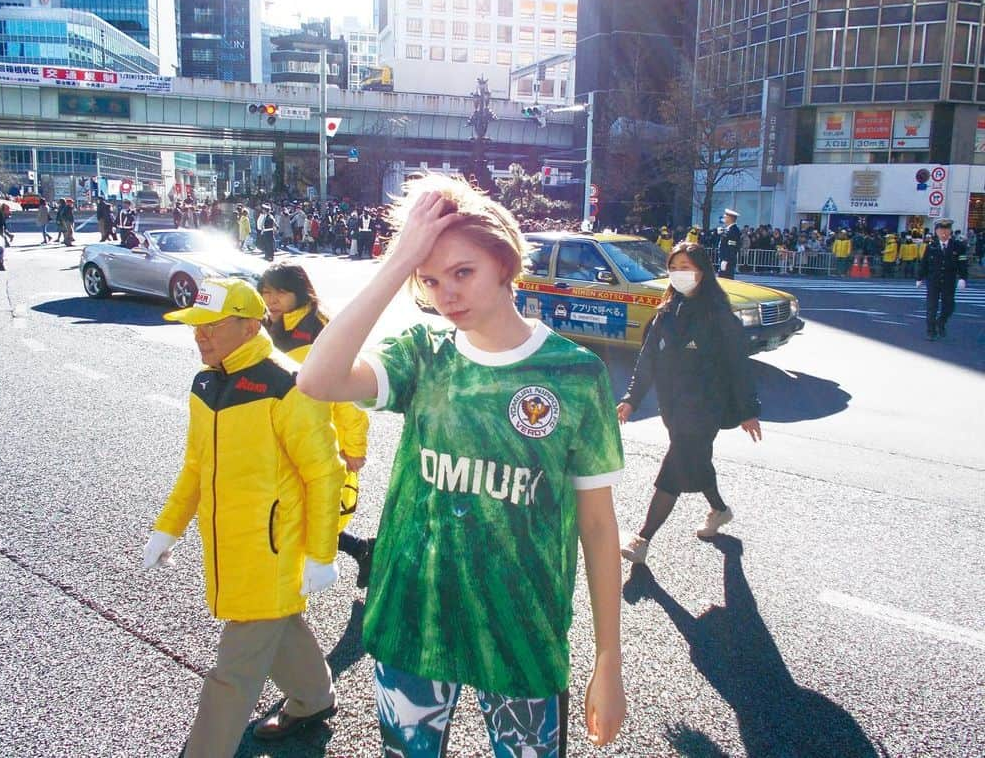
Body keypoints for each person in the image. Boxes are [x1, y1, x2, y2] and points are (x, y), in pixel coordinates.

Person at [297, 175, 628, 755]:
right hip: (413, 621)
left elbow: (598, 527)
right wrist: (398, 260)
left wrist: (608, 658)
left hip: (522, 630)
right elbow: (317, 378)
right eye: (430, 280)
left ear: (505, 264)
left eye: (463, 272)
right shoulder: (423, 355)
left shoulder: (575, 375)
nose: (446, 293)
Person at [143, 277, 345, 757]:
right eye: (196, 325)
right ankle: (314, 699)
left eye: (211, 325)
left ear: (249, 324)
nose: (200, 335)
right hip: (228, 544)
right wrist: (168, 527)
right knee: (278, 627)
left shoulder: (286, 385)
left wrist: (321, 554)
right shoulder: (206, 382)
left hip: (272, 550)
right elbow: (196, 465)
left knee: (233, 672)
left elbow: (324, 473)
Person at [618, 241, 762, 565]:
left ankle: (642, 540)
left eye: (687, 267)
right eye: (675, 267)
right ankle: (719, 510)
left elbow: (739, 364)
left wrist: (749, 409)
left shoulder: (719, 315)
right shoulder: (666, 312)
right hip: (673, 407)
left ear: (702, 271)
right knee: (695, 462)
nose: (680, 274)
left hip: (706, 408)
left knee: (675, 466)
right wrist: (631, 399)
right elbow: (647, 360)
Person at [258, 261, 376, 588]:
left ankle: (290, 587)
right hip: (283, 435)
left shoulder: (320, 329)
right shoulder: (268, 327)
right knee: (294, 510)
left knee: (311, 509)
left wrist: (354, 448)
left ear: (299, 291)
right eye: (267, 292)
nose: (272, 299)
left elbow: (347, 395)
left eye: (280, 292)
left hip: (319, 436)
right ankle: (361, 549)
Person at [917, 218, 969, 340]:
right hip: (933, 280)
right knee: (931, 307)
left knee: (949, 306)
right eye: (941, 230)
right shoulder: (931, 246)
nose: (944, 233)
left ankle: (941, 322)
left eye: (947, 230)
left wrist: (963, 278)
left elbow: (963, 263)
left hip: (949, 281)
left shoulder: (958, 246)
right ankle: (931, 331)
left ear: (950, 231)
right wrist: (919, 278)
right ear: (936, 232)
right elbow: (924, 263)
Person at [717, 208, 741, 279]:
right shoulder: (728, 229)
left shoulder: (734, 230)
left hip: (728, 261)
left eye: (725, 217)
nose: (724, 218)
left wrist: (726, 260)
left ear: (730, 218)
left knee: (726, 280)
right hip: (724, 259)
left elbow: (732, 247)